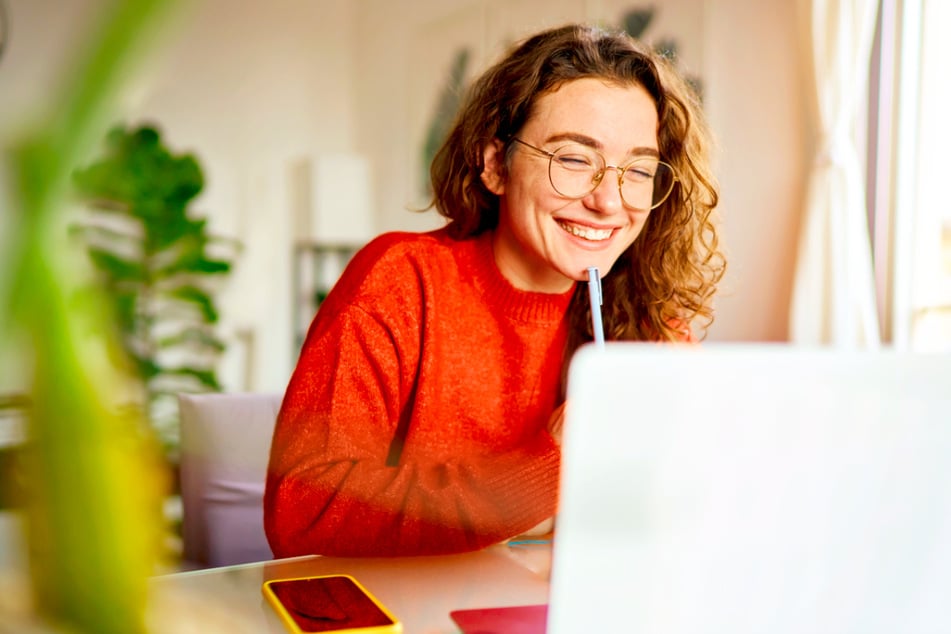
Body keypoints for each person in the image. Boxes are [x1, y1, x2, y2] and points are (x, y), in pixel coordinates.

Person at [264, 23, 724, 558]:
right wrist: (550, 463)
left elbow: (685, 518)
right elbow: (303, 511)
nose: (609, 201)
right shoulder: (400, 281)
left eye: (638, 170)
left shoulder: (651, 324)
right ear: (494, 165)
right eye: (574, 159)